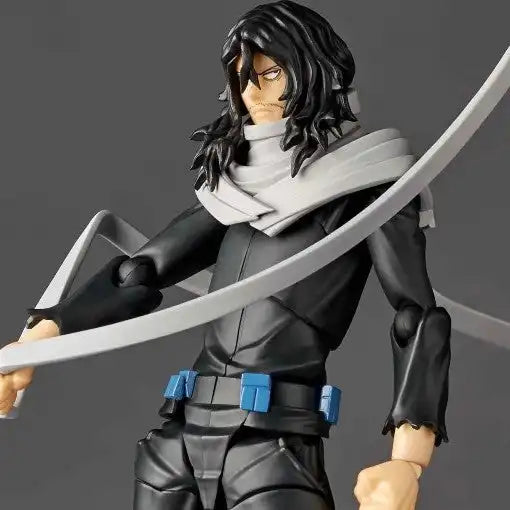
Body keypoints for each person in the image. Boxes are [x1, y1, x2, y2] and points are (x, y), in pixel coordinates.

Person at [0, 2, 451, 509]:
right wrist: (37, 340)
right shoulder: (238, 184)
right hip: (178, 436)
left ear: (314, 69)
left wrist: (408, 459)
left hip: (271, 439)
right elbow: (141, 272)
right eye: (241, 79)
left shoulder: (371, 183)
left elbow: (415, 317)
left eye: (270, 73)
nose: (252, 94)